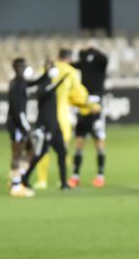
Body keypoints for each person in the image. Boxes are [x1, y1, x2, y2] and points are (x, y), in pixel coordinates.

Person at [33, 48, 84, 190]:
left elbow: (37, 86)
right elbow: (78, 94)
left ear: (58, 56)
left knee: (42, 149)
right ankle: (63, 180)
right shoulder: (71, 72)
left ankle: (42, 180)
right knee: (63, 149)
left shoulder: (46, 68)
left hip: (45, 114)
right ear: (69, 58)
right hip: (62, 115)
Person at [70, 45, 108, 189]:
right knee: (79, 144)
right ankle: (75, 176)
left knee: (99, 144)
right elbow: (71, 64)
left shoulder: (100, 63)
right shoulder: (83, 63)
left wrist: (93, 50)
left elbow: (104, 58)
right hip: (83, 107)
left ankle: (100, 175)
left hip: (96, 109)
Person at [5, 57, 44, 198]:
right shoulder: (18, 84)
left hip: (17, 123)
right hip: (17, 125)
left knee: (28, 151)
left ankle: (15, 179)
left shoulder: (18, 82)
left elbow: (34, 82)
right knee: (18, 154)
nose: (25, 68)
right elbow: (18, 110)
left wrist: (46, 73)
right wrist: (26, 127)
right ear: (17, 68)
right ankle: (16, 185)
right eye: (23, 66)